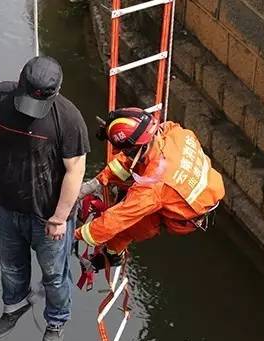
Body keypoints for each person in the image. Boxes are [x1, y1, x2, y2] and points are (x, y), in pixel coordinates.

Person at [0, 56, 89, 341]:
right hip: (8, 207)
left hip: (48, 217)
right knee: (10, 266)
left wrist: (60, 217)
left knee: (54, 275)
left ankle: (56, 321)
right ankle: (15, 305)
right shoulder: (0, 97)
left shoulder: (69, 118)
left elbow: (75, 170)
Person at [75, 107, 225, 270]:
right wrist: (98, 181)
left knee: (127, 228)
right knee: (135, 167)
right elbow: (132, 159)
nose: (125, 154)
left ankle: (112, 255)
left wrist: (74, 234)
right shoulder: (175, 133)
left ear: (132, 149)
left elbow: (115, 220)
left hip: (181, 217)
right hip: (200, 189)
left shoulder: (152, 186)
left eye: (126, 151)